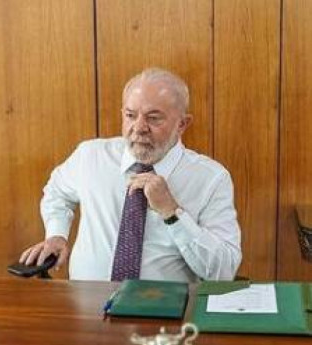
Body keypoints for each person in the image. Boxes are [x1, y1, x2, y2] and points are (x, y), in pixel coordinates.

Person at [20, 68, 241, 282]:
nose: (139, 127)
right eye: (130, 115)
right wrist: (57, 234)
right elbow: (57, 193)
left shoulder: (211, 178)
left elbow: (223, 271)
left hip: (167, 310)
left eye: (154, 118)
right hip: (86, 305)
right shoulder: (90, 157)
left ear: (182, 124)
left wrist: (172, 213)